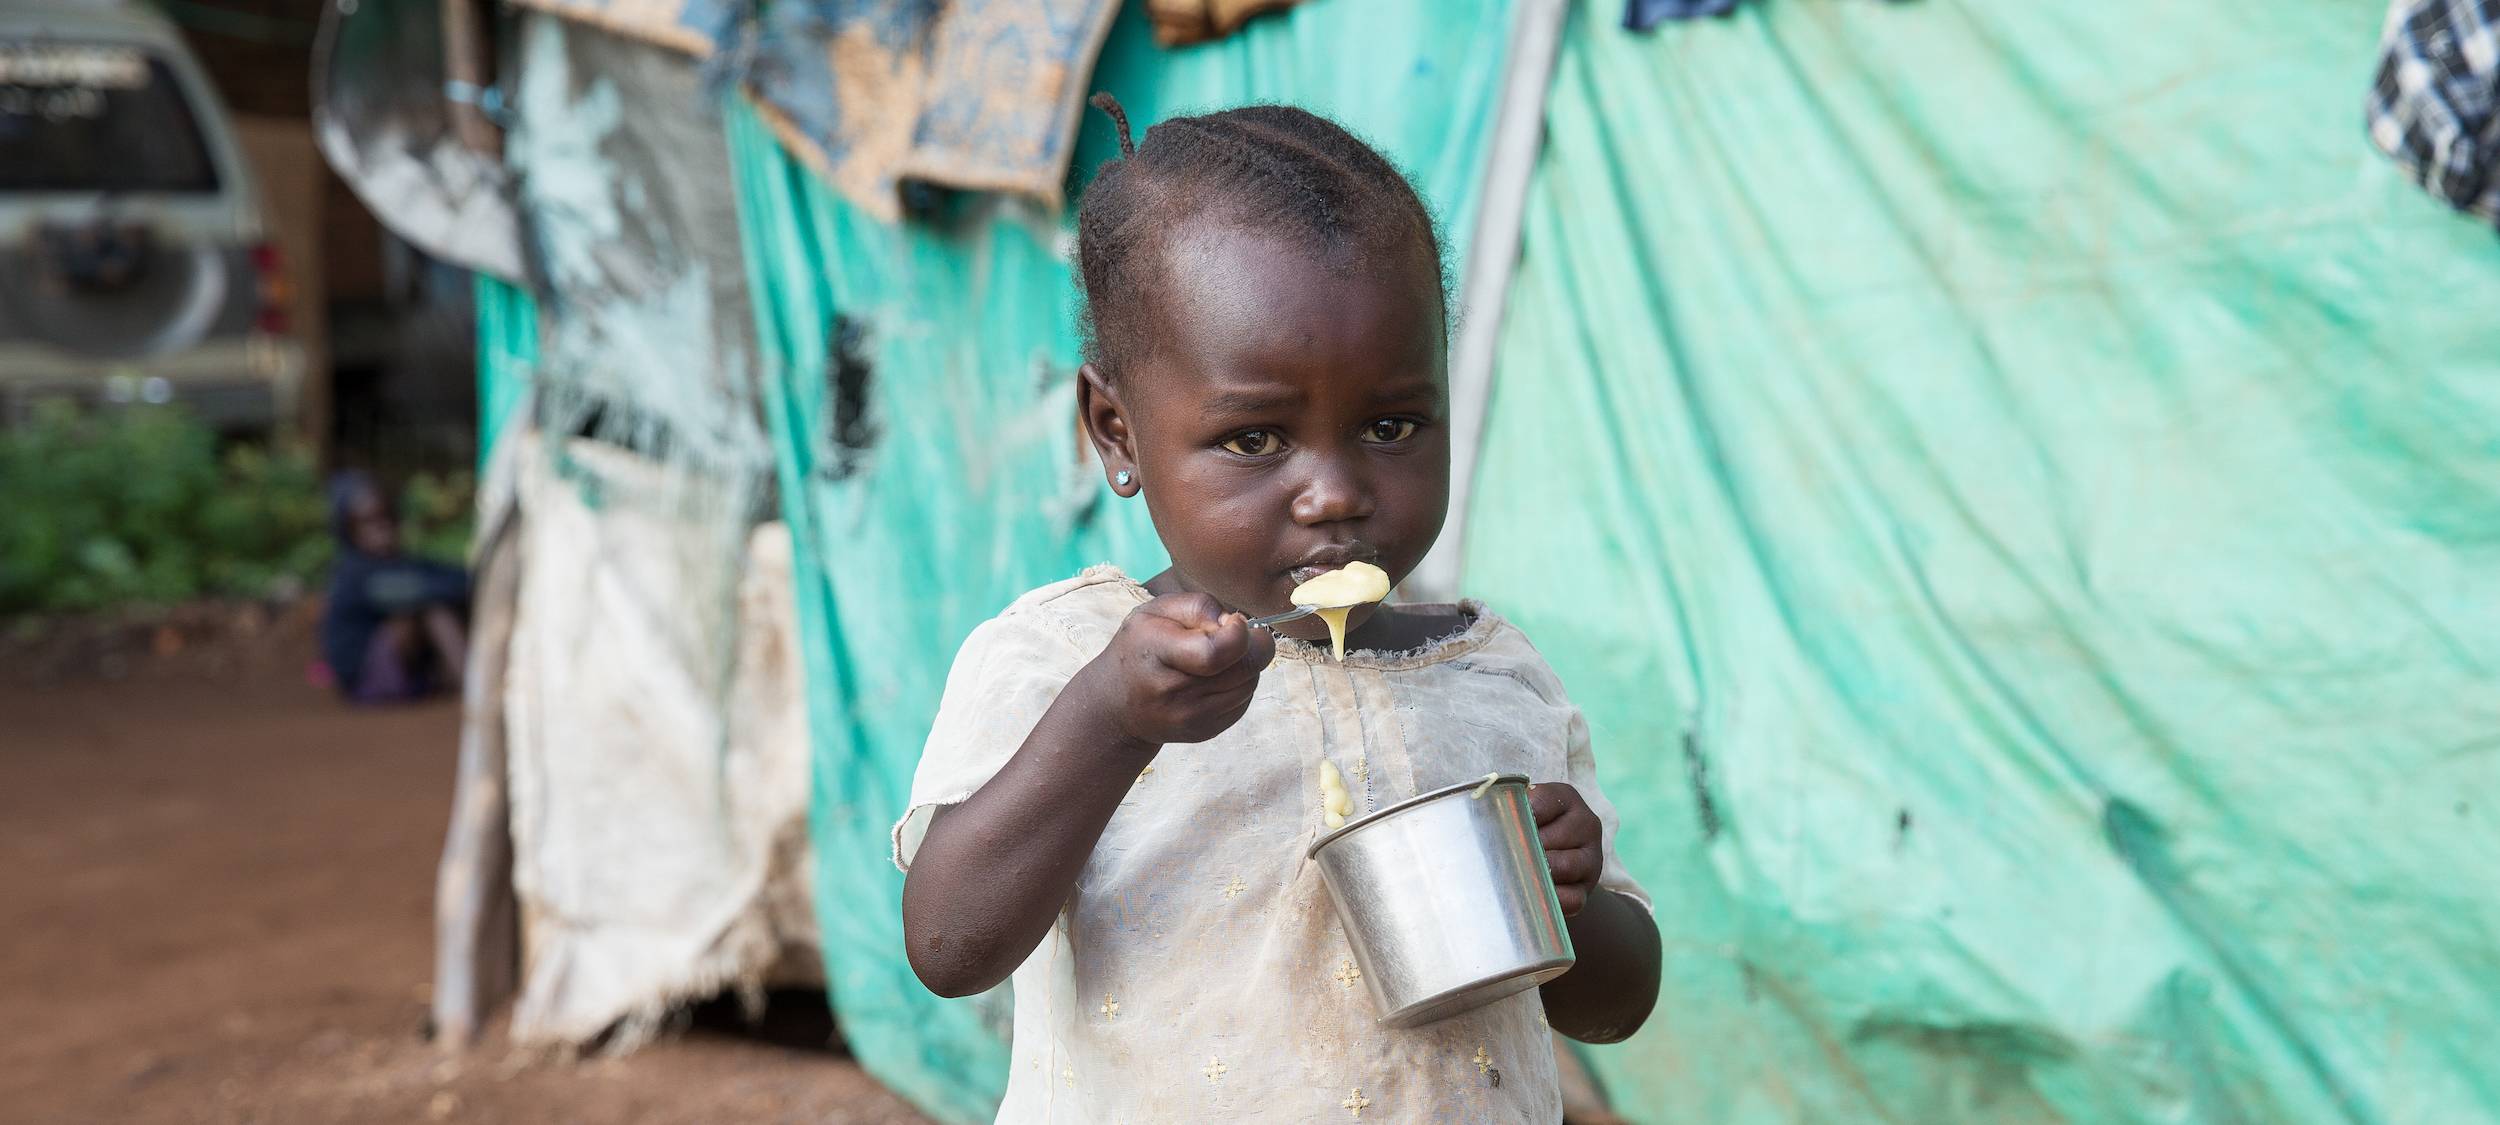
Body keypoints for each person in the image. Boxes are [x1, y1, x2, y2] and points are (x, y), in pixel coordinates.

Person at [895, 97, 1662, 1122]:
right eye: (1255, 439)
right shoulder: (1064, 657)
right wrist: (1109, 720)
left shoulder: (1491, 676)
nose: (1335, 494)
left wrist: (1569, 898)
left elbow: (1617, 1005)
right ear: (1116, 431)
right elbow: (950, 946)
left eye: (1392, 425)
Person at [319, 471, 468, 704]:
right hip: (364, 679)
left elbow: (459, 578)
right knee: (433, 611)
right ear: (349, 529)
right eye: (368, 521)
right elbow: (421, 590)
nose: (382, 527)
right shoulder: (353, 573)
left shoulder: (400, 562)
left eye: (386, 516)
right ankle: (474, 686)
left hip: (404, 671)